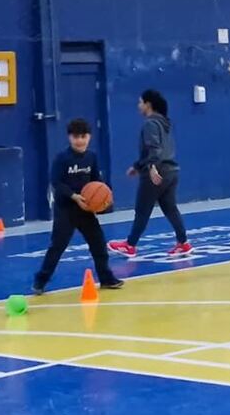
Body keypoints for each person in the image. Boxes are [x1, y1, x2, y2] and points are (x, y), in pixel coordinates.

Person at [34, 118, 122, 295]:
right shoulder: (62, 158)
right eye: (76, 137)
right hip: (66, 208)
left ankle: (106, 278)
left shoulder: (91, 157)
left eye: (83, 136)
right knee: (57, 246)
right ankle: (40, 281)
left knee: (98, 243)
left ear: (89, 137)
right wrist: (74, 196)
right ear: (69, 138)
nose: (80, 140)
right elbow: (56, 182)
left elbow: (97, 180)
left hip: (86, 209)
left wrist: (105, 196)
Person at [109, 90, 192, 260]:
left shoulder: (150, 124)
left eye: (140, 102)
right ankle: (183, 243)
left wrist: (150, 167)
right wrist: (137, 166)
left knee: (142, 210)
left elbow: (154, 150)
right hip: (172, 172)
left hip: (157, 172)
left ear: (148, 104)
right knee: (170, 208)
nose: (138, 106)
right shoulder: (165, 123)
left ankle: (130, 245)